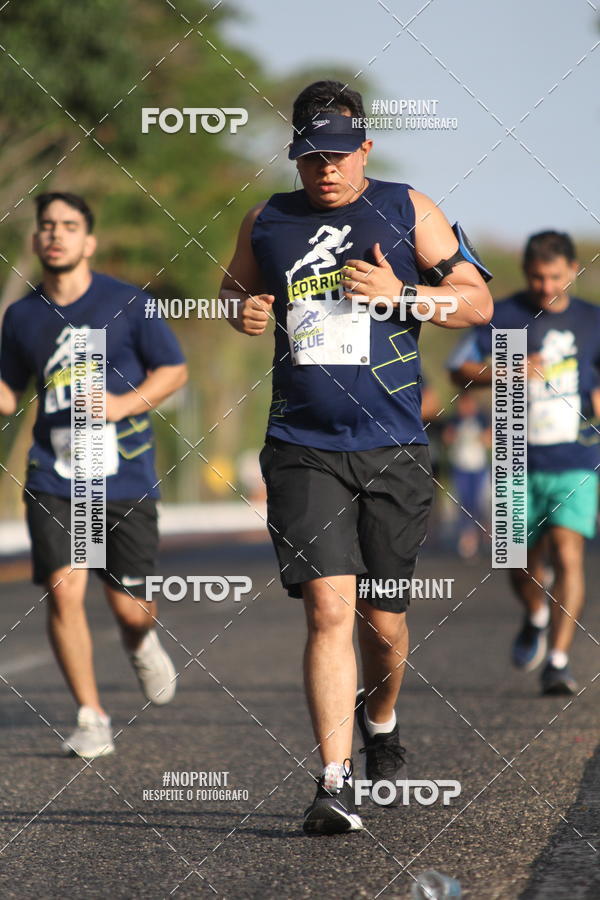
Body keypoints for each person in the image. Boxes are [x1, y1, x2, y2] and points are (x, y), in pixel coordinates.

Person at [221, 80, 493, 834]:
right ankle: (332, 781)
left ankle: (382, 718)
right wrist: (240, 310)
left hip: (395, 449)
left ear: (364, 148)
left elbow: (477, 303)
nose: (325, 171)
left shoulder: (409, 207)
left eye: (338, 156)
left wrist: (404, 293)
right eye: (310, 158)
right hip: (302, 446)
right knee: (327, 609)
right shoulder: (267, 219)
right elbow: (233, 292)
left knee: (383, 621)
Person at [0, 192, 188, 758]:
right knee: (64, 589)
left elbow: (173, 371)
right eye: (47, 226)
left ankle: (141, 639)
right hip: (55, 475)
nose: (56, 235)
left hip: (123, 474)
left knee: (130, 606)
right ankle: (91, 715)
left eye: (69, 226)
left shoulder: (129, 303)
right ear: (35, 240)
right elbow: (9, 395)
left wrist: (120, 405)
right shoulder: (22, 315)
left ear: (89, 241)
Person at [450, 231, 600, 694]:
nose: (546, 285)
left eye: (555, 276)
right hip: (515, 456)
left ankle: (557, 661)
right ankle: (535, 613)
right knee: (516, 561)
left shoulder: (593, 320)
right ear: (526, 273)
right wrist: (507, 369)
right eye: (537, 276)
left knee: (569, 553)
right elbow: (459, 369)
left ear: (573, 269)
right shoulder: (504, 316)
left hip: (575, 456)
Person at [442, 390, 491, 558]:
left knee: (479, 502)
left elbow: (490, 440)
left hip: (478, 468)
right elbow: (446, 438)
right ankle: (467, 537)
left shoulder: (482, 419)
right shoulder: (454, 420)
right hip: (460, 467)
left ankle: (481, 533)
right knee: (463, 502)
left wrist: (482, 438)